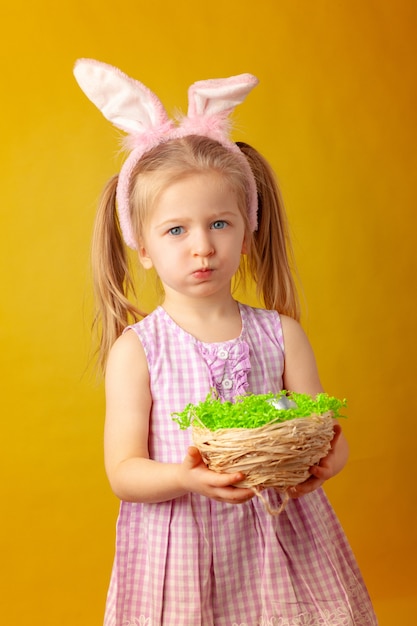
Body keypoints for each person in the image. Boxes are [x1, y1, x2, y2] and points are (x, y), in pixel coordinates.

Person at [74, 59, 378, 626]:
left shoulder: (280, 333)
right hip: (181, 544)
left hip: (280, 539)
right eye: (176, 230)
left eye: (220, 224)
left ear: (248, 225)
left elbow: (326, 434)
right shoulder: (138, 351)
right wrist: (185, 477)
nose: (202, 247)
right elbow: (123, 471)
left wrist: (324, 462)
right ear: (143, 246)